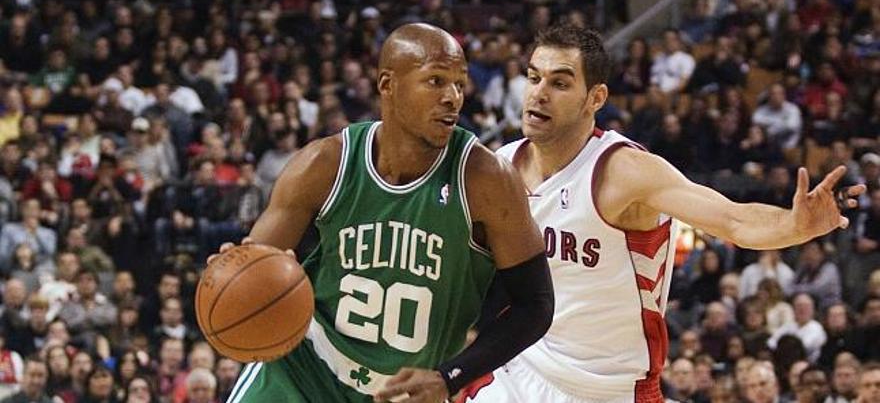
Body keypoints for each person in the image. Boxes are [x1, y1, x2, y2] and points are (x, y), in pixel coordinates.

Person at [457, 23, 863, 402]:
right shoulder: (502, 166)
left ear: (595, 98)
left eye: (560, 82)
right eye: (533, 77)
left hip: (609, 386)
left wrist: (795, 226)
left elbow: (733, 219)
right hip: (520, 369)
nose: (539, 93)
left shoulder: (625, 172)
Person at [213, 23, 553, 402]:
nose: (453, 97)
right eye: (436, 81)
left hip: (402, 393)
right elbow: (255, 264)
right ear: (387, 84)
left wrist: (450, 377)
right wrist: (235, 271)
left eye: (459, 83)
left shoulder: (486, 179)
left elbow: (535, 305)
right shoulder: (324, 164)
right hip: (302, 373)